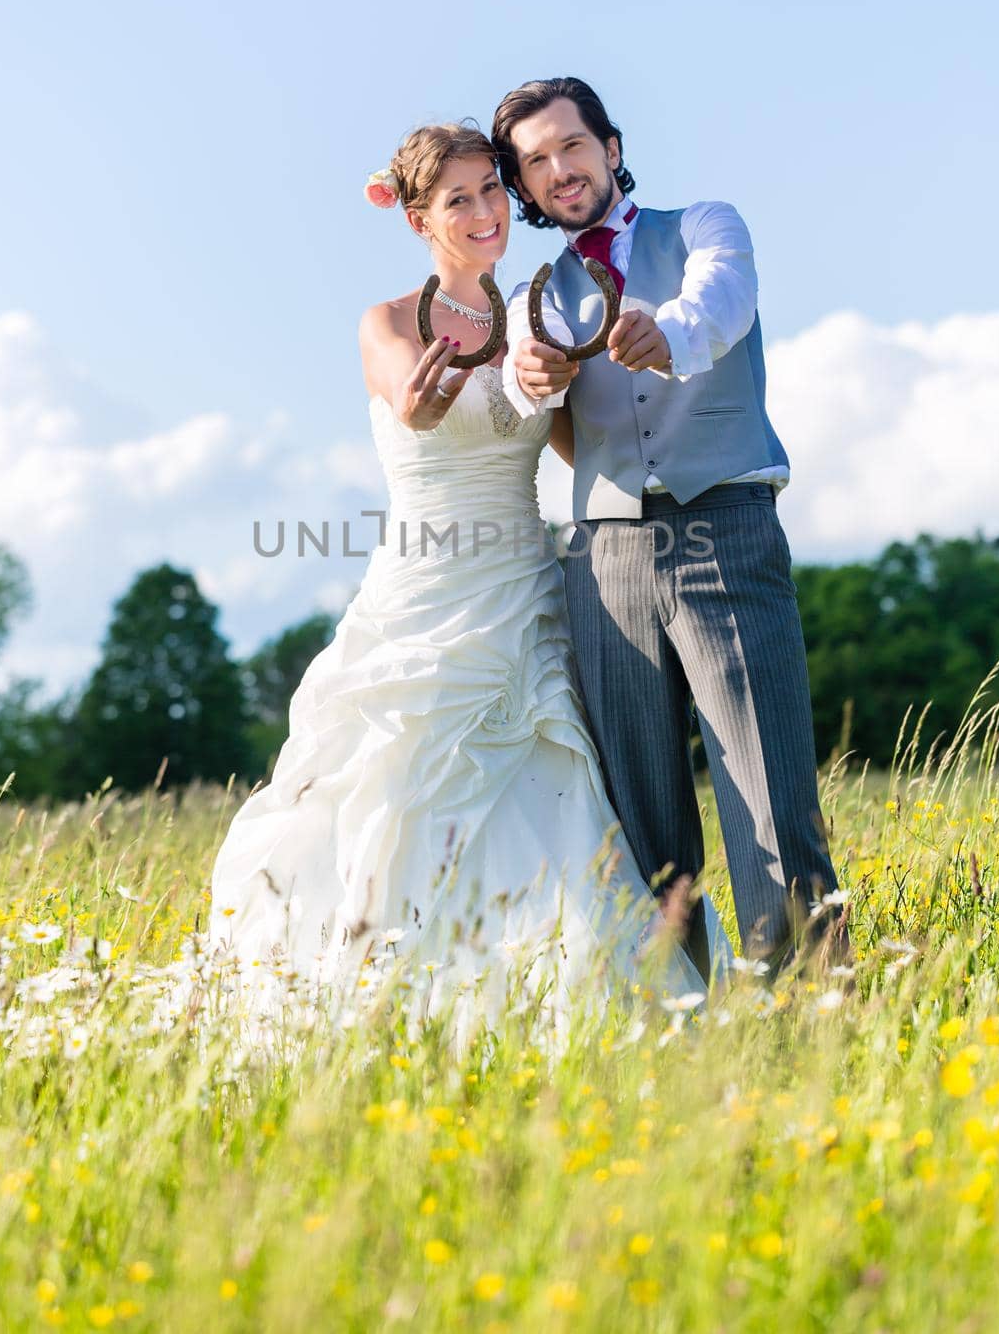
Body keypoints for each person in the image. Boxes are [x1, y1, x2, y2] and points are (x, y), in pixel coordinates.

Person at [208, 120, 732, 1029]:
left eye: (493, 190)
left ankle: (567, 990)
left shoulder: (541, 314)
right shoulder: (384, 323)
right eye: (460, 199)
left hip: (526, 585)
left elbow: (582, 448)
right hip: (425, 588)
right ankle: (385, 986)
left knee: (557, 778)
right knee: (390, 776)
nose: (488, 210)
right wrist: (433, 396)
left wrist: (588, 391)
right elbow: (413, 399)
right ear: (419, 219)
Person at [493, 76, 848, 980]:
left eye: (571, 146)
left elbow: (721, 299)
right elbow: (543, 423)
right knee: (640, 810)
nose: (559, 170)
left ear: (609, 149)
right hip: (602, 554)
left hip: (722, 524)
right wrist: (525, 379)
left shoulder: (702, 227)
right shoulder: (534, 296)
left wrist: (671, 331)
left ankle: (812, 1005)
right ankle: (686, 1017)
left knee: (766, 790)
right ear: (527, 191)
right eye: (535, 163)